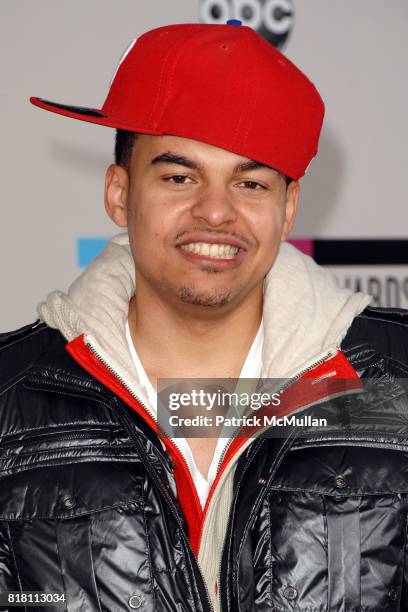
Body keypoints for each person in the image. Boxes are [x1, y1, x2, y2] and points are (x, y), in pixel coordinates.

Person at [1, 20, 408, 612]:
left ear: (288, 207)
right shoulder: (9, 395)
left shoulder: (397, 382)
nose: (216, 211)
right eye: (179, 176)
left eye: (250, 182)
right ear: (119, 192)